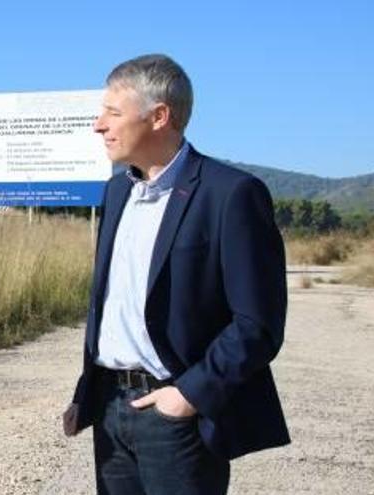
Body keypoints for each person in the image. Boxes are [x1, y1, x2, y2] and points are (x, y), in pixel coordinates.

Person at [62, 54, 289, 495]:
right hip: (110, 407)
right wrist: (87, 391)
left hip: (178, 415)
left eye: (112, 112)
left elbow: (257, 323)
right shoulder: (117, 191)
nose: (98, 125)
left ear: (159, 116)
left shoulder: (230, 195)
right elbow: (111, 307)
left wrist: (189, 395)